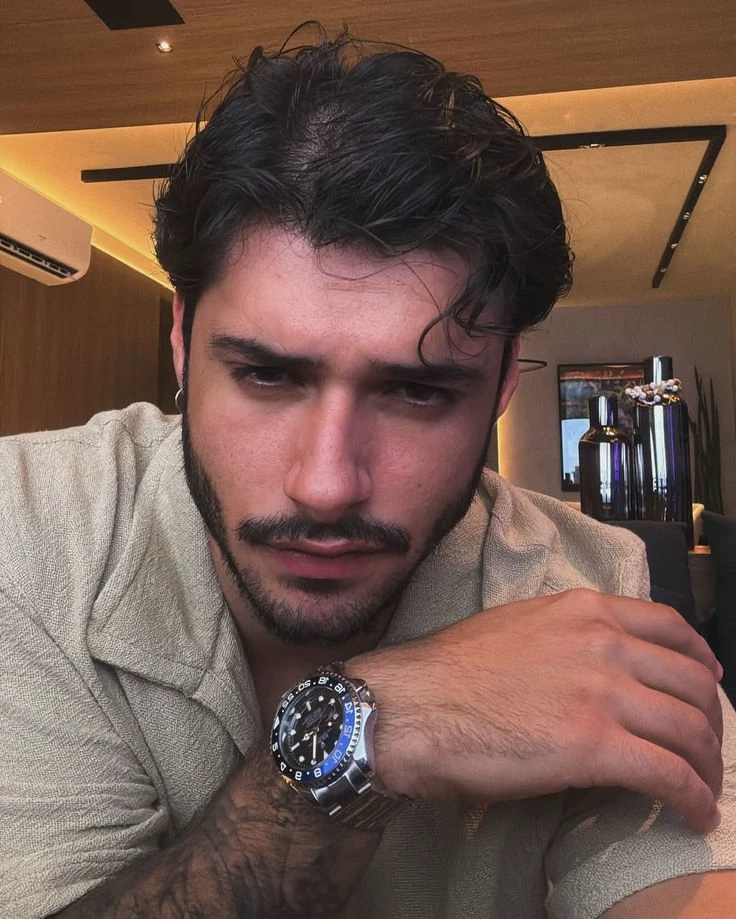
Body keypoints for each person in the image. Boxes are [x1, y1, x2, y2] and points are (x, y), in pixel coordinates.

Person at [1, 26, 734, 919]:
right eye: (267, 375)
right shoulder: (29, 531)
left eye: (417, 392)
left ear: (504, 381)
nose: (326, 485)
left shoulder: (585, 590)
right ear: (183, 340)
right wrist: (371, 725)